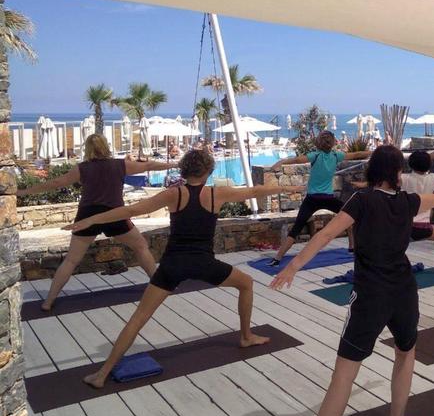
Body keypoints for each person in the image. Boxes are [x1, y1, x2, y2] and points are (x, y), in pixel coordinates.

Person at [268, 145, 434, 416]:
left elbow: (327, 233)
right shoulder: (408, 201)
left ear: (373, 172)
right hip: (404, 292)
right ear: (398, 173)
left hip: (371, 296)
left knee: (343, 375)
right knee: (405, 352)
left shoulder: (363, 200)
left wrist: (293, 265)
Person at [63, 149, 304, 389]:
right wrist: (286, 189)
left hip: (172, 265)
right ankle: (246, 336)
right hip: (204, 264)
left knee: (138, 318)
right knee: (246, 283)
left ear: (184, 170)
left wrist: (91, 220)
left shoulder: (173, 194)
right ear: (208, 171)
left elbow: (131, 210)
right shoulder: (215, 194)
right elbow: (253, 191)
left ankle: (102, 374)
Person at [16, 134, 174, 311]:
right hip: (114, 214)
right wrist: (174, 164)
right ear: (106, 146)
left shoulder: (82, 168)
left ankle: (48, 301)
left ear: (88, 149)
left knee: (70, 260)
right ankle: (159, 287)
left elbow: (56, 182)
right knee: (141, 246)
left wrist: (23, 192)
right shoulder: (119, 164)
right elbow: (150, 165)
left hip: (88, 215)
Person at [353, 150, 434, 272]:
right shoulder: (433, 178)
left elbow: (382, 182)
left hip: (402, 225)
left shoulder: (405, 178)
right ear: (429, 165)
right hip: (422, 227)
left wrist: (362, 184)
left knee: (393, 245)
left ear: (410, 164)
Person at [264, 131, 370, 266]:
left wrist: (282, 161)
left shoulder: (315, 155)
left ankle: (277, 258)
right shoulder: (336, 155)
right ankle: (351, 247)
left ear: (319, 143)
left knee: (296, 229)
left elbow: (297, 160)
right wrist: (375, 152)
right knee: (348, 217)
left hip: (312, 199)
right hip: (327, 198)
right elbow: (357, 154)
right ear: (332, 144)